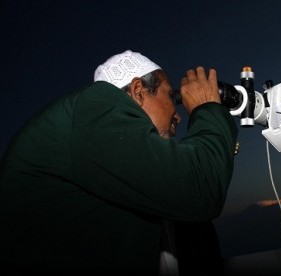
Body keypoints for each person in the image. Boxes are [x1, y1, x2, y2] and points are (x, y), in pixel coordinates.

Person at [0, 50, 238, 275]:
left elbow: (186, 207)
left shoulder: (115, 161)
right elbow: (199, 189)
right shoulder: (94, 108)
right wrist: (208, 108)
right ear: (138, 91)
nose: (178, 114)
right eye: (170, 96)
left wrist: (215, 151)